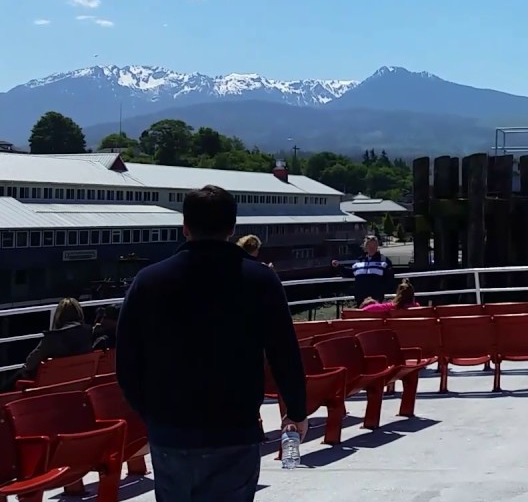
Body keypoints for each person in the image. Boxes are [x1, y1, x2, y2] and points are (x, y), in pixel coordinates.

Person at [116, 185, 307, 502]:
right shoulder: (260, 280)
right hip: (235, 429)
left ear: (185, 227)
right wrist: (296, 411)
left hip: (171, 431)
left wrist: (152, 415)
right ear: (232, 228)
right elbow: (284, 353)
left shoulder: (148, 281)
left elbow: (126, 361)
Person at [6, 297, 93, 389]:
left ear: (59, 316)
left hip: (52, 387)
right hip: (79, 383)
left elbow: (30, 362)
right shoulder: (89, 333)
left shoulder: (52, 339)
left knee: (19, 374)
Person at [331, 235, 394, 305]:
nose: (371, 248)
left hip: (376, 299)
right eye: (369, 245)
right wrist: (338, 266)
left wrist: (380, 291)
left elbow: (390, 279)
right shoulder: (360, 261)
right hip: (360, 300)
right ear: (365, 247)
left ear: (377, 246)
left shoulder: (384, 260)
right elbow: (350, 273)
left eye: (374, 245)